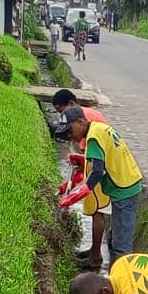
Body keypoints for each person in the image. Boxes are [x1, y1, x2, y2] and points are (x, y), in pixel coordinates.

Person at [55, 106, 142, 265]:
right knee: (113, 240)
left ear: (80, 121)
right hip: (127, 184)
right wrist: (82, 160)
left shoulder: (93, 137)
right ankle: (113, 277)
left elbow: (96, 172)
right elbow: (102, 160)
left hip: (124, 191)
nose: (70, 136)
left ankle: (120, 285)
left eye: (70, 130)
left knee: (120, 247)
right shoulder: (98, 128)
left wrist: (74, 197)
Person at [52, 89, 110, 270]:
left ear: (71, 105)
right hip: (103, 165)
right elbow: (87, 164)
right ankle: (94, 251)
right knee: (95, 210)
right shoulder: (86, 116)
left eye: (62, 112)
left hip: (104, 169)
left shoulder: (83, 123)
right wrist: (67, 185)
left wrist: (75, 194)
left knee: (97, 211)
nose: (69, 134)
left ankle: (95, 257)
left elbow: (93, 167)